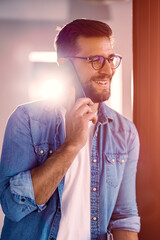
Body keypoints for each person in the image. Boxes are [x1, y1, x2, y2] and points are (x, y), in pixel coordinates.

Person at [0, 19, 140, 240]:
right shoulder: (26, 119)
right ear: (65, 65)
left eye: (111, 59)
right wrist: (72, 145)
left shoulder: (125, 132)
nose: (108, 70)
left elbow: (124, 217)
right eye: (96, 60)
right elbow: (13, 206)